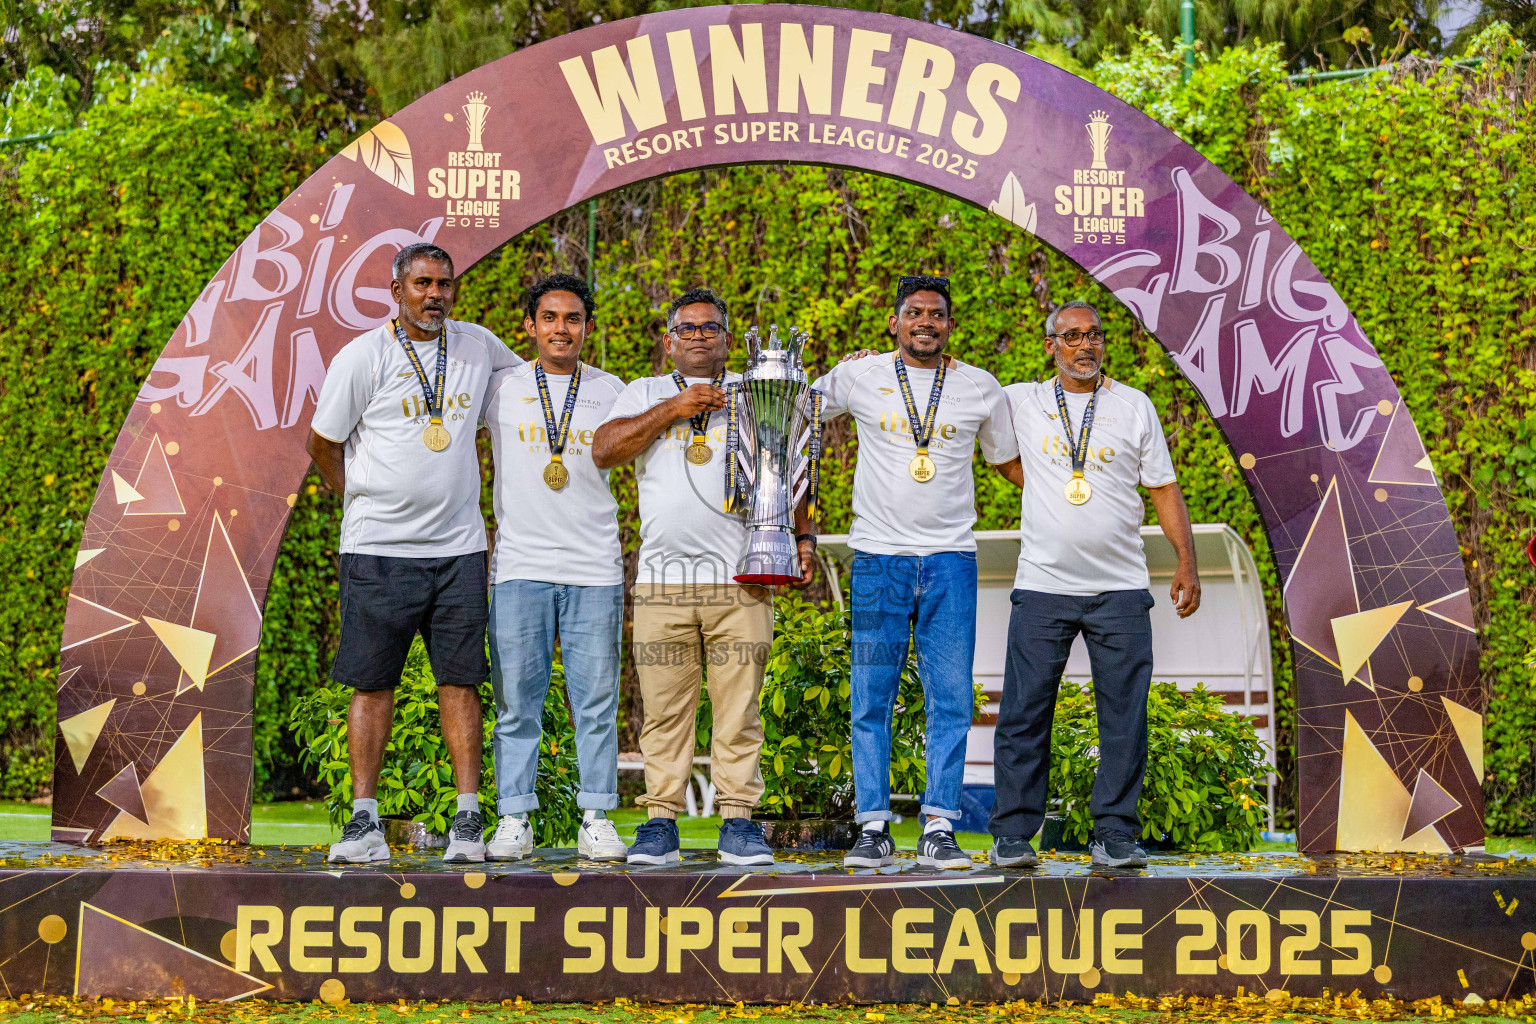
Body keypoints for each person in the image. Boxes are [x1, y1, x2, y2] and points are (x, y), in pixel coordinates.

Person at [306, 242, 522, 865]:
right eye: (424, 283)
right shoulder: (363, 357)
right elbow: (323, 443)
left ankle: (468, 819)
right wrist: (363, 500)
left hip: (459, 549)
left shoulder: (479, 345)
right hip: (377, 550)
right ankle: (363, 822)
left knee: (462, 682)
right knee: (372, 685)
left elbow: (523, 390)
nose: (436, 295)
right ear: (396, 289)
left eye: (445, 284)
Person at [803, 275, 1021, 871]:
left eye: (937, 314)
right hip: (878, 559)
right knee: (871, 697)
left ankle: (940, 825)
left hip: (952, 559)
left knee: (950, 697)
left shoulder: (981, 387)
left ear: (950, 325)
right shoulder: (860, 375)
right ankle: (871, 826)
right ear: (894, 322)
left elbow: (1010, 464)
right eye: (914, 312)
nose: (925, 321)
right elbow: (795, 409)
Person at [593, 288, 807, 867]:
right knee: (663, 714)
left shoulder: (755, 390)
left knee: (739, 711)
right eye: (686, 329)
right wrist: (675, 408)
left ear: (728, 341)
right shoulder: (643, 393)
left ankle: (738, 820)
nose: (698, 337)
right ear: (669, 340)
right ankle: (660, 821)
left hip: (741, 581)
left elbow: (791, 467)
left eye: (709, 329)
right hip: (662, 581)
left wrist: (800, 541)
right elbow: (605, 450)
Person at [990, 300, 1201, 870]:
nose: (1084, 345)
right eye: (1072, 336)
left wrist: (1187, 561)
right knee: (1025, 712)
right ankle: (1013, 835)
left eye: (1094, 335)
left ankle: (1113, 834)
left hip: (1122, 586)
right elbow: (995, 449)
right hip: (1042, 584)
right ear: (1051, 345)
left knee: (1125, 715)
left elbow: (1162, 488)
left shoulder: (1135, 405)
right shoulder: (1020, 400)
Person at [481, 274, 629, 862]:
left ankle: (596, 815)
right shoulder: (501, 388)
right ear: (530, 326)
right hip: (520, 564)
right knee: (518, 702)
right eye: (550, 318)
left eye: (572, 319)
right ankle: (514, 817)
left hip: (595, 566)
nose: (561, 329)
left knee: (595, 701)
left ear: (587, 328)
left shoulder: (614, 390)